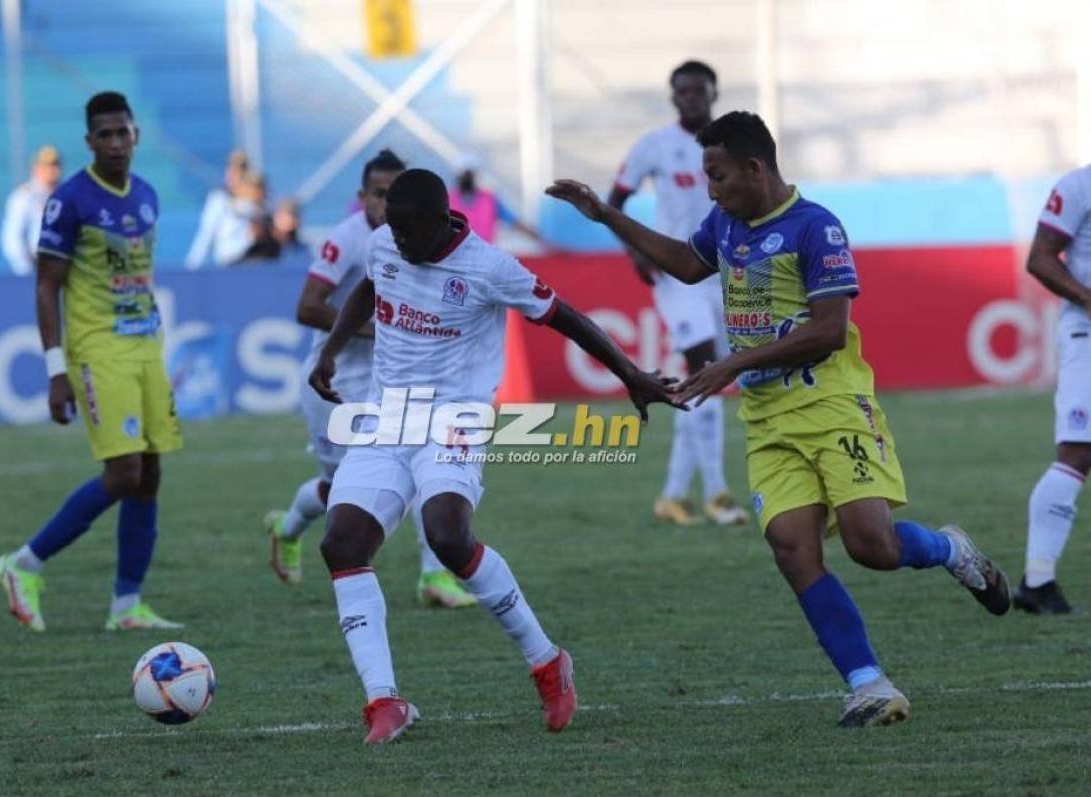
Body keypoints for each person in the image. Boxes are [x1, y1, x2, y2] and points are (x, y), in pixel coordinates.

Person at [547, 111, 1011, 727]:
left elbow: (828, 331)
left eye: (718, 176)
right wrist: (606, 216)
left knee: (870, 545)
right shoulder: (728, 224)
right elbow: (687, 263)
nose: (710, 191)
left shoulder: (816, 228)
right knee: (792, 548)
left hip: (833, 403)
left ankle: (953, 551)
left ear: (754, 168)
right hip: (768, 417)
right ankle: (869, 684)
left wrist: (732, 362)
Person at [308, 168, 678, 744]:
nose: (400, 243)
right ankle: (384, 700)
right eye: (394, 232)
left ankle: (548, 662)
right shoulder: (387, 242)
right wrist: (331, 350)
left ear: (441, 221)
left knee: (448, 537)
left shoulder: (489, 267)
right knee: (341, 544)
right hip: (386, 416)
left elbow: (567, 317)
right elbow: (370, 286)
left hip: (454, 416)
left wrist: (630, 374)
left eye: (410, 234)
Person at [0, 92, 184, 632]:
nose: (117, 143)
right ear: (89, 141)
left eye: (124, 132)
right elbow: (46, 285)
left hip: (145, 346)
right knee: (123, 472)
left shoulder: (146, 195)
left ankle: (127, 605)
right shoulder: (69, 200)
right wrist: (57, 369)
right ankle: (23, 564)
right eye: (106, 134)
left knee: (149, 475)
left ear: (136, 135)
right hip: (98, 349)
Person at [263, 149, 476, 609]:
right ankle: (287, 528)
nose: (387, 203)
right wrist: (378, 326)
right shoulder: (349, 239)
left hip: (386, 386)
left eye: (395, 193)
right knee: (338, 493)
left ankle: (434, 578)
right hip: (334, 383)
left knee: (422, 468)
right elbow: (307, 307)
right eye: (379, 194)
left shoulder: (414, 240)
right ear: (362, 197)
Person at [609, 60, 746, 528]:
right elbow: (615, 202)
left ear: (714, 92)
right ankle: (717, 493)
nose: (691, 98)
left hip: (726, 273)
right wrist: (636, 252)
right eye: (683, 91)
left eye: (699, 90)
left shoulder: (733, 147)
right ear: (673, 98)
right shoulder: (655, 146)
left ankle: (671, 494)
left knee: (706, 377)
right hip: (677, 271)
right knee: (706, 368)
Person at [1014, 166, 1091, 614]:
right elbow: (1040, 257)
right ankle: (1037, 579)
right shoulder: (1078, 185)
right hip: (1086, 333)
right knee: (1078, 452)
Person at [449, 155, 547, 247]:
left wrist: (540, 238)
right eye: (463, 175)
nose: (466, 179)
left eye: (468, 175)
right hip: (456, 256)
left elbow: (513, 221)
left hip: (485, 254)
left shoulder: (489, 199)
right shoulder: (448, 199)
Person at [185, 149, 258, 268]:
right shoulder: (219, 200)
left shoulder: (260, 200)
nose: (234, 174)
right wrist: (192, 267)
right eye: (231, 169)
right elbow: (206, 235)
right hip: (230, 263)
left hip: (256, 261)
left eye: (240, 170)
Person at [0, 145, 63, 276]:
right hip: (38, 268)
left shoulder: (67, 195)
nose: (53, 170)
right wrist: (27, 271)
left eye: (56, 165)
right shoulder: (24, 197)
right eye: (48, 166)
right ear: (36, 168)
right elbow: (12, 239)